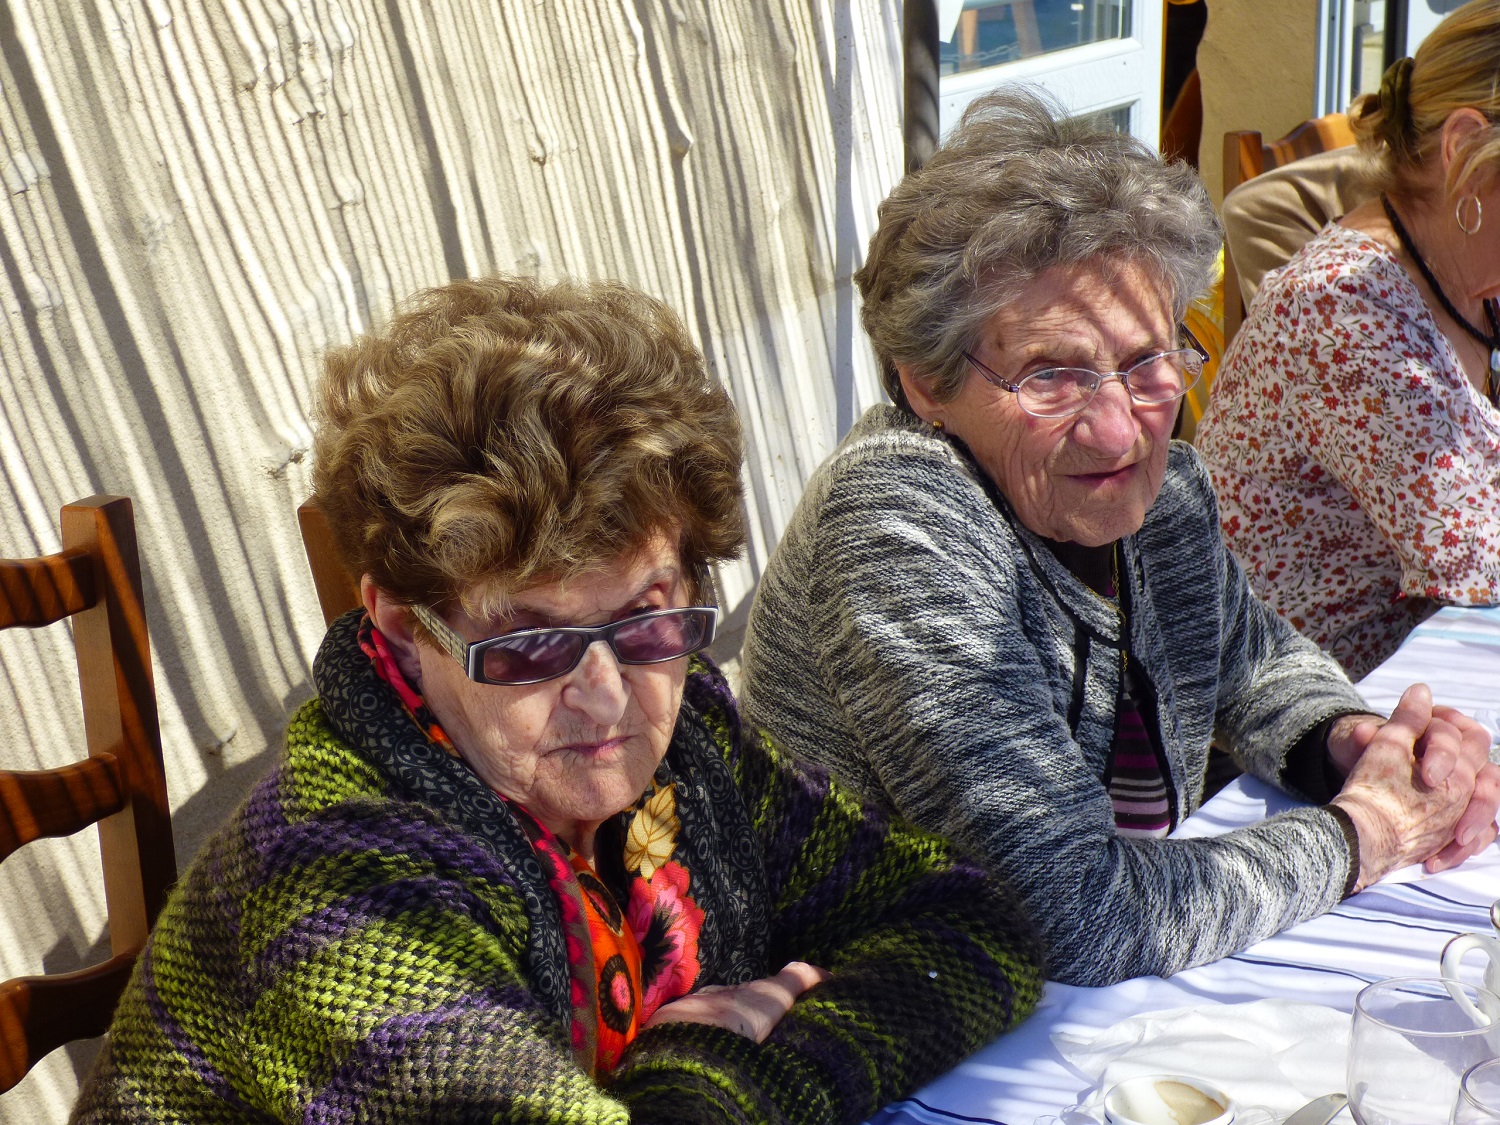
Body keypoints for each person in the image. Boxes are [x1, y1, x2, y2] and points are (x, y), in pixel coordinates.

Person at [72, 277, 1043, 1123]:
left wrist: (775, 1073)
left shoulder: (691, 739)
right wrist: (706, 1065)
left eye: (647, 616)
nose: (608, 696)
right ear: (403, 627)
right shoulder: (343, 887)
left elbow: (969, 923)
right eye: (532, 642)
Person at [738, 87, 1500, 988]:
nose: (1117, 430)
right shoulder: (898, 525)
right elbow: (1073, 912)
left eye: (1146, 363)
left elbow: (1254, 661)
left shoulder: (1161, 493)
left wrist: (1358, 740)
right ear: (926, 384)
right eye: (1050, 377)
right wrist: (1364, 831)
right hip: (872, 1008)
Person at [1196, 0, 1500, 678]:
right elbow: (1476, 566)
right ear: (1464, 148)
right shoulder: (1343, 310)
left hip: (1421, 670)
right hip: (1296, 709)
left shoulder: (1471, 268)